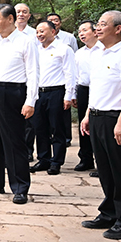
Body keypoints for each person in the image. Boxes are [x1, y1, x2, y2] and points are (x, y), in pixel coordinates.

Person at [79, 10, 121, 239]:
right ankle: (109, 213)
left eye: (103, 24)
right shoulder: (98, 53)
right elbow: (97, 87)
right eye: (97, 23)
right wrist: (88, 114)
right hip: (97, 116)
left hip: (116, 118)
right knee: (105, 169)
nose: (97, 28)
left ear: (118, 29)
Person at [0, 4, 39, 204]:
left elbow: (33, 72)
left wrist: (30, 101)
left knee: (13, 141)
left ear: (10, 19)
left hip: (12, 93)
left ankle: (20, 186)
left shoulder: (26, 41)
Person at [29, 20, 76, 176]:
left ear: (53, 32)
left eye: (42, 31)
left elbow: (70, 73)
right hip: (38, 93)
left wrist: (69, 95)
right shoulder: (35, 50)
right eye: (37, 32)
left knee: (57, 128)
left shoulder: (64, 49)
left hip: (56, 92)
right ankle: (44, 159)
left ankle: (56, 161)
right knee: (39, 127)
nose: (39, 34)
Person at [72, 19, 101, 172]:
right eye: (79, 32)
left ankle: (101, 162)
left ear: (95, 32)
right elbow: (76, 75)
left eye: (85, 30)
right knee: (84, 126)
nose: (81, 34)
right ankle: (86, 158)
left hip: (101, 90)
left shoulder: (103, 49)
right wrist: (74, 93)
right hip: (84, 90)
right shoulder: (79, 53)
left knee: (98, 125)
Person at [47, 12, 78, 147]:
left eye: (56, 20)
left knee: (63, 114)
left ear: (60, 23)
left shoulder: (69, 37)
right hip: (47, 82)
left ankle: (66, 138)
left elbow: (75, 57)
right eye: (51, 20)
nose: (54, 22)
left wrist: (71, 91)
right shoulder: (39, 42)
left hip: (62, 81)